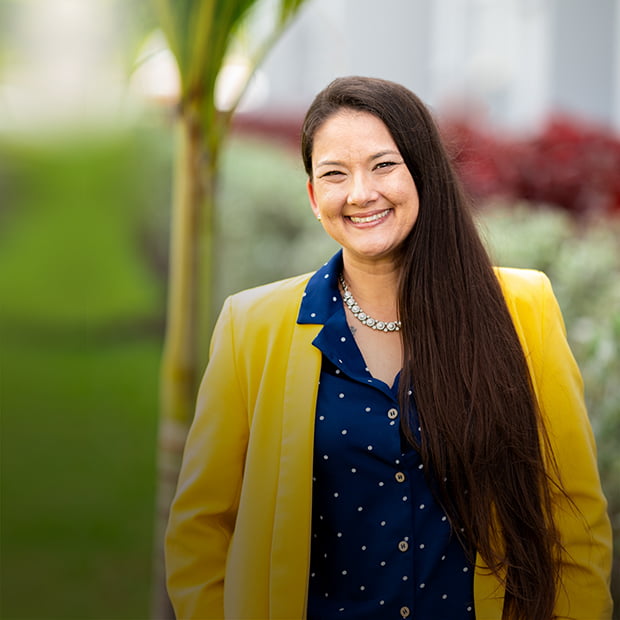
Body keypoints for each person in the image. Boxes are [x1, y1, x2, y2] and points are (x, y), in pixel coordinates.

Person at [164, 76, 613, 620]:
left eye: (383, 166)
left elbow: (576, 526)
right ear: (312, 197)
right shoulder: (251, 326)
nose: (360, 193)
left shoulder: (523, 309)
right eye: (334, 174)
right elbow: (201, 532)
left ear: (423, 171)